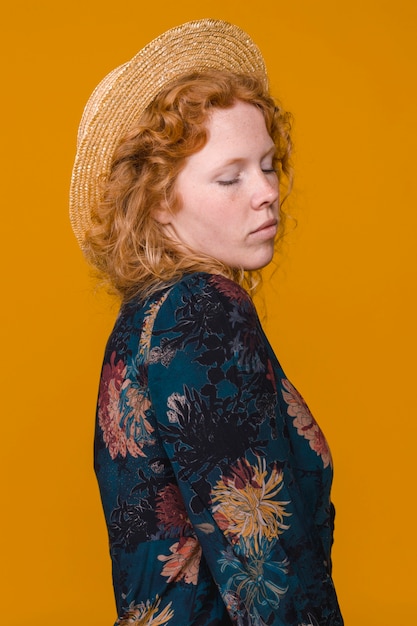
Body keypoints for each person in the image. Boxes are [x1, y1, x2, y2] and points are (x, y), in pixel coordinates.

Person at [70, 19, 344, 626]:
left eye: (269, 165)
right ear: (159, 201)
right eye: (231, 176)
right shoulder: (202, 312)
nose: (266, 191)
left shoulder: (150, 315)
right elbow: (267, 575)